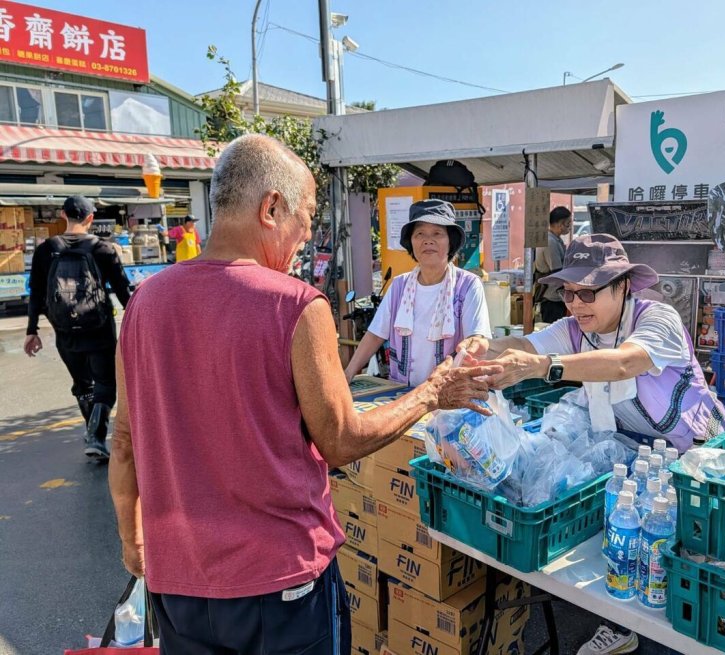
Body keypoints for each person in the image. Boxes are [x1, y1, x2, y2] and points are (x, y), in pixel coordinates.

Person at [108, 134, 500, 655]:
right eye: (308, 216)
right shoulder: (295, 304)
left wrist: (132, 538)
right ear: (271, 208)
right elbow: (342, 440)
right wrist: (431, 394)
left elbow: (124, 441)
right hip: (281, 583)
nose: (309, 233)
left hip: (177, 580)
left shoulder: (144, 302)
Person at [468, 233, 725, 655]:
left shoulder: (657, 318)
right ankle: (621, 626)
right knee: (629, 544)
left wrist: (544, 367)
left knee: (688, 553)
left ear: (622, 286)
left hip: (693, 453)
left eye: (588, 292)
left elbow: (624, 362)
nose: (576, 304)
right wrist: (485, 345)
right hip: (637, 453)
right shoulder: (575, 330)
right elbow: (523, 345)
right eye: (569, 293)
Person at [24, 195, 131, 461]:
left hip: (64, 329)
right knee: (105, 383)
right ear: (90, 218)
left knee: (83, 383)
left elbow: (35, 293)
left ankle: (91, 433)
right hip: (99, 328)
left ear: (63, 215)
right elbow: (123, 291)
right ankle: (96, 435)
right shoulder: (103, 249)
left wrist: (32, 330)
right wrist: (136, 322)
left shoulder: (46, 249)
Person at [343, 198, 491, 385]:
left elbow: (478, 337)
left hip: (450, 393)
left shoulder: (468, 285)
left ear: (450, 242)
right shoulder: (399, 286)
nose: (428, 240)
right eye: (420, 234)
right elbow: (375, 335)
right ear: (411, 242)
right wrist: (347, 374)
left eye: (437, 233)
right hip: (404, 393)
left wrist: (474, 345)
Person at [535, 206, 572, 323]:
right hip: (551, 297)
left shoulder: (556, 239)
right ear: (560, 224)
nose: (570, 227)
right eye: (568, 223)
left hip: (556, 296)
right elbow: (557, 271)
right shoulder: (550, 242)